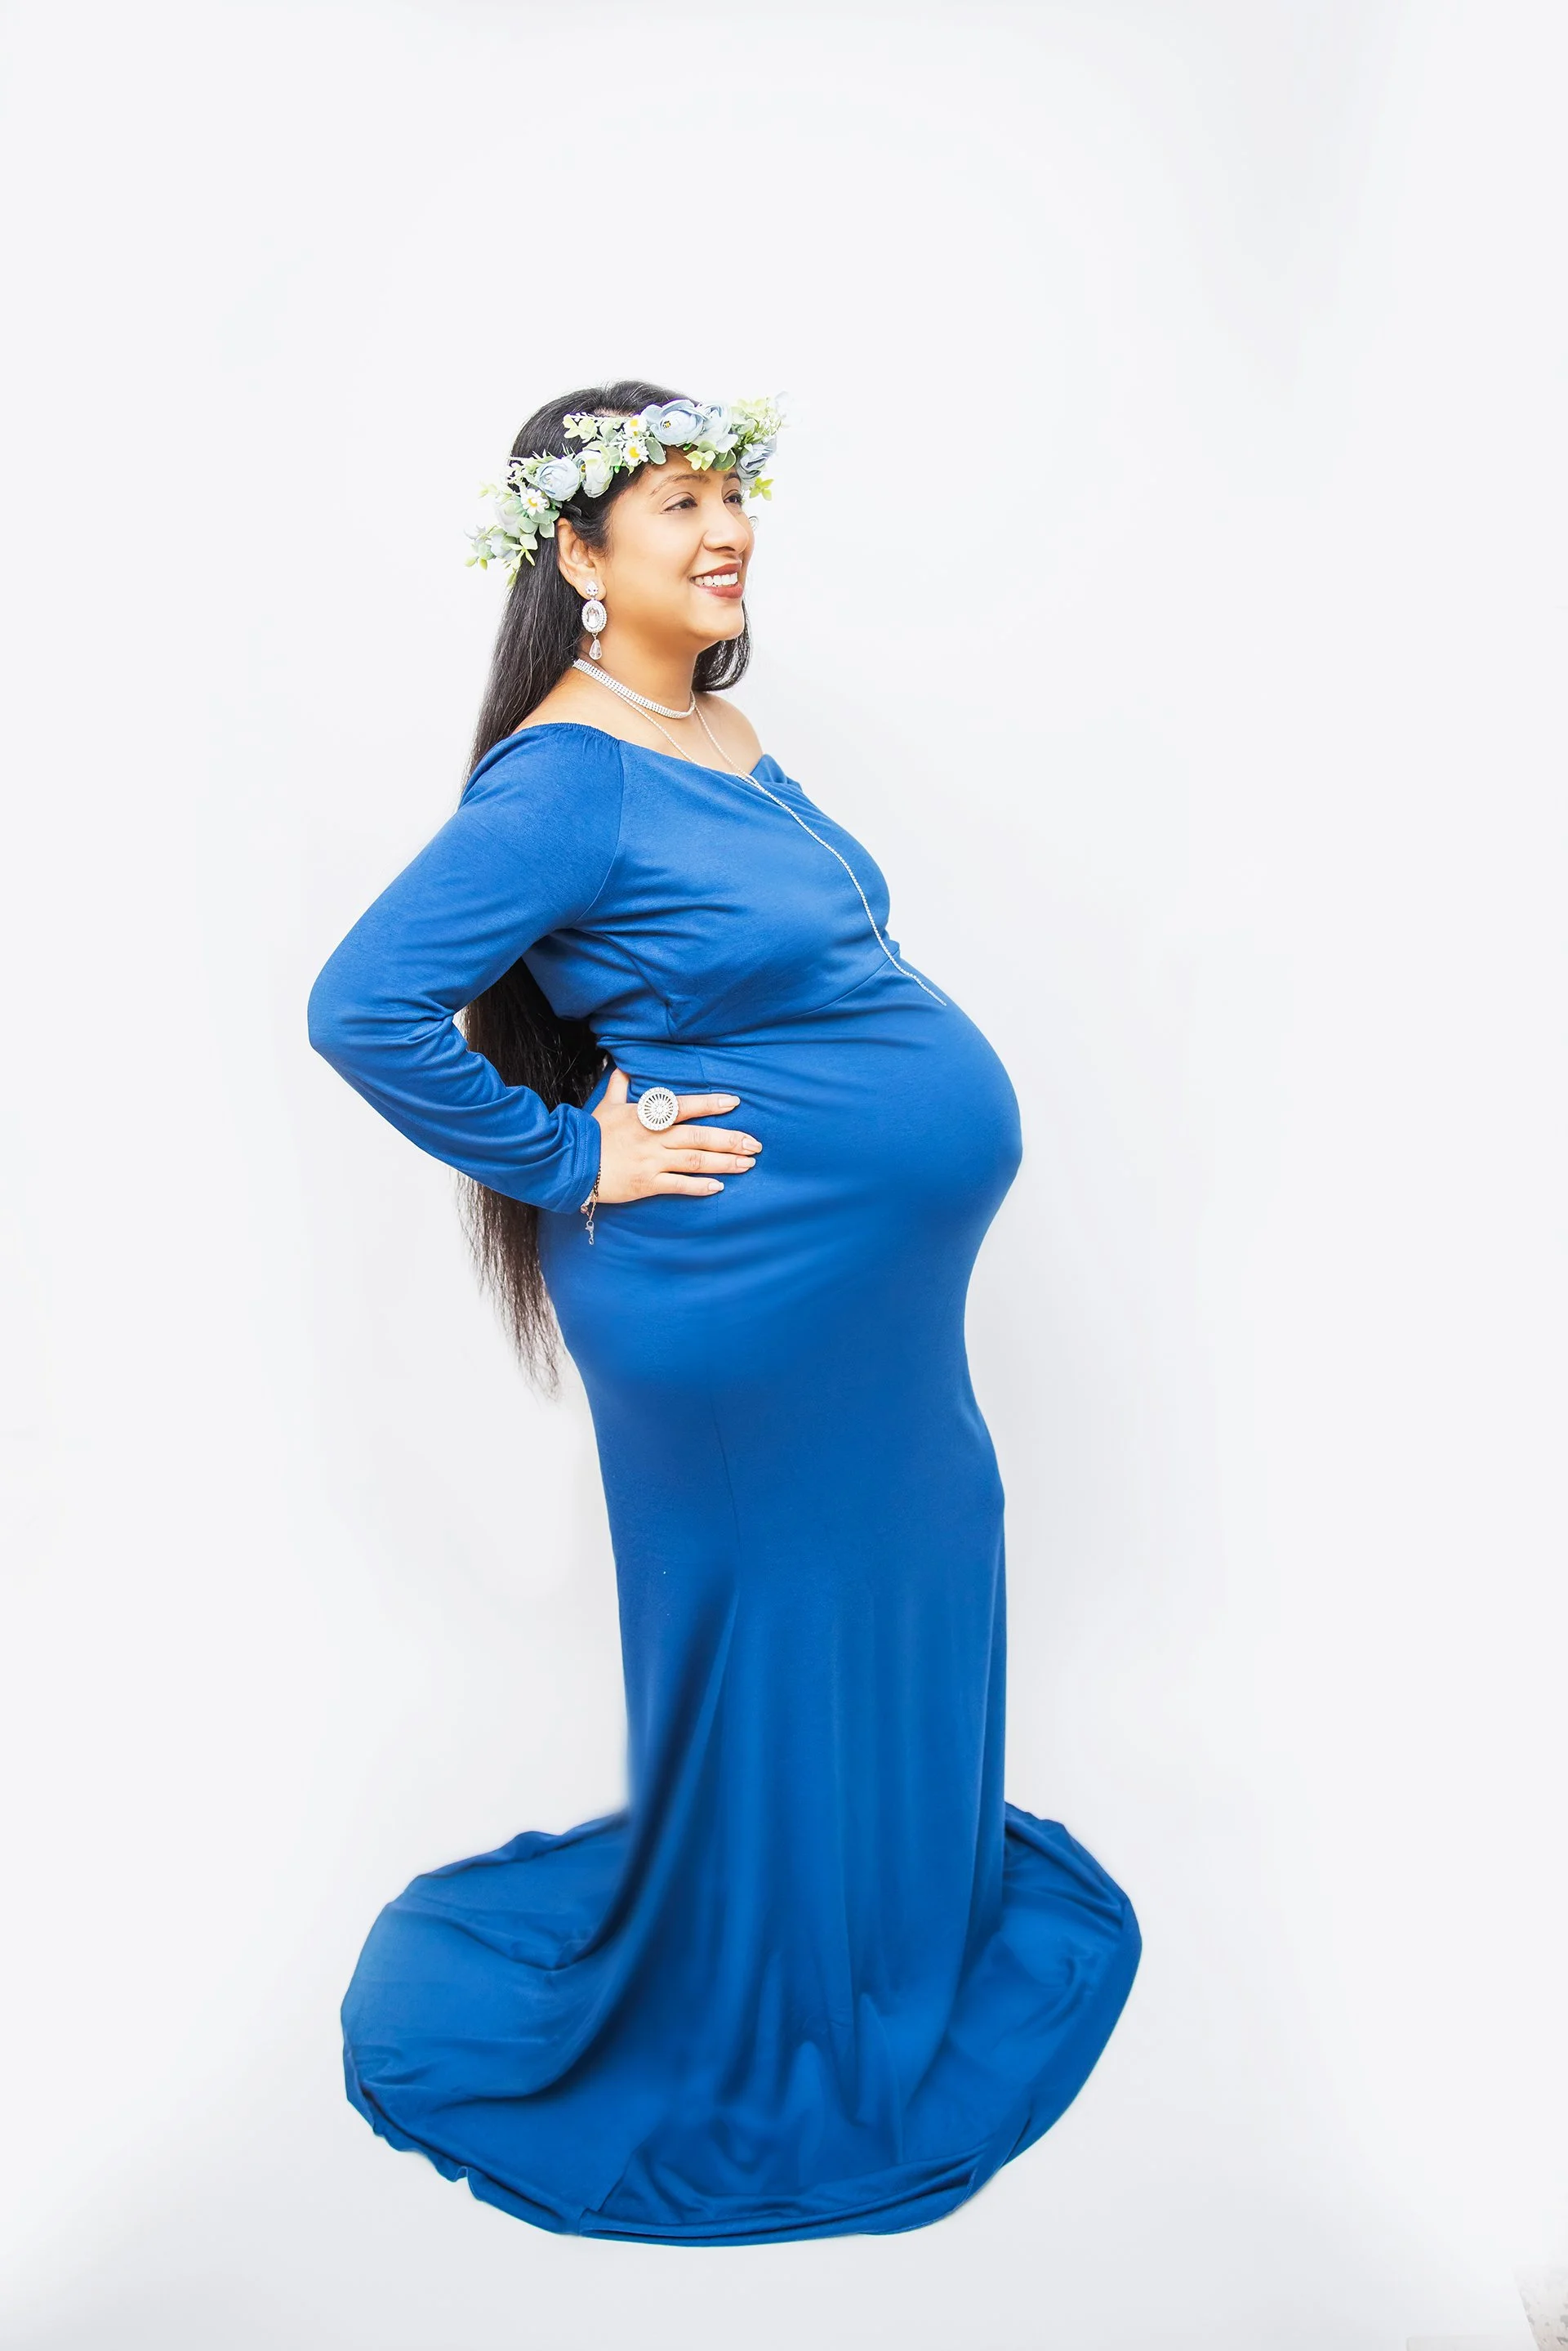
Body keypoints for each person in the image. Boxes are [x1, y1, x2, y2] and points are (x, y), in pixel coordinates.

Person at [305, 380, 1141, 2245]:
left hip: (859, 1305)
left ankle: (885, 1918)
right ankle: (778, 1996)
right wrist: (568, 1155)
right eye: (677, 502)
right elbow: (359, 1004)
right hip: (736, 1298)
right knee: (776, 1622)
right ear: (578, 553)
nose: (724, 528)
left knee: (930, 1543)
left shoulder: (710, 726)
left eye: (731, 493)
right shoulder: (563, 778)